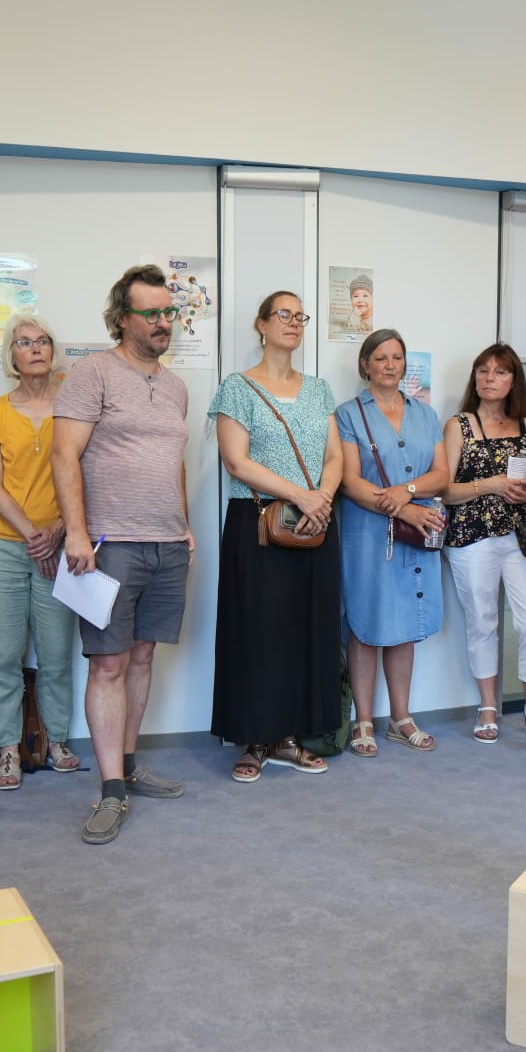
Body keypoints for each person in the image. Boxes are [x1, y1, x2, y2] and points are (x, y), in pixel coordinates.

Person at [52, 264, 191, 845]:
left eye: (168, 312)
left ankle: (129, 766)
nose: (163, 323)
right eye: (151, 313)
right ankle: (110, 791)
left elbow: (174, 461)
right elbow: (63, 456)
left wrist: (184, 528)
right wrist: (77, 533)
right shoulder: (92, 374)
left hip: (167, 542)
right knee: (107, 663)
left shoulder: (178, 385)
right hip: (109, 545)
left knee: (141, 659)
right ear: (121, 319)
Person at [208, 292, 342, 781]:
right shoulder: (237, 387)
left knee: (307, 630)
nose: (293, 322)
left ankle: (291, 736)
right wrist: (301, 497)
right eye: (282, 315)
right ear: (261, 325)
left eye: (300, 316)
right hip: (258, 522)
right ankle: (253, 739)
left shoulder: (319, 389)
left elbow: (334, 458)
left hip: (316, 523)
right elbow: (236, 461)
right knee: (256, 631)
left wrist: (320, 501)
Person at [0, 314, 80, 789]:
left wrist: (56, 530)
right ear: (11, 355)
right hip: (0, 544)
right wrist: (33, 535)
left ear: (52, 350)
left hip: (61, 542)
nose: (34, 348)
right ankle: (9, 749)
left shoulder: (75, 407)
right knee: (4, 654)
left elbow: (88, 475)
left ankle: (56, 742)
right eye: (23, 342)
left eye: (42, 341)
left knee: (57, 652)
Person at [335, 328, 448, 755]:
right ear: (365, 364)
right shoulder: (348, 413)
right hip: (367, 534)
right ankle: (363, 721)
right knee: (365, 625)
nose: (389, 365)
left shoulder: (425, 413)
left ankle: (401, 718)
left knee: (405, 625)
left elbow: (441, 475)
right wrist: (404, 508)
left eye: (396, 357)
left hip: (416, 536)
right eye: (380, 357)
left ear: (405, 364)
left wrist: (410, 491)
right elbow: (349, 481)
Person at [439, 343, 526, 744]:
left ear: (514, 381)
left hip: (521, 533)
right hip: (472, 535)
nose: (490, 379)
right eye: (483, 371)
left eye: (500, 372)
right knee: (483, 619)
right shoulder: (460, 425)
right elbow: (446, 492)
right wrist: (488, 485)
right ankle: (488, 706)